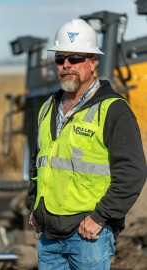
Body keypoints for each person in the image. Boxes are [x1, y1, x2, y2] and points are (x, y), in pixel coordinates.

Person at [27, 19, 146, 270]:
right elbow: (39, 162)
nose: (66, 65)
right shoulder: (48, 108)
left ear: (93, 62)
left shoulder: (113, 110)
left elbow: (133, 171)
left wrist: (101, 217)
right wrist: (34, 206)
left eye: (75, 58)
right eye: (60, 59)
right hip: (48, 239)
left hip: (88, 237)